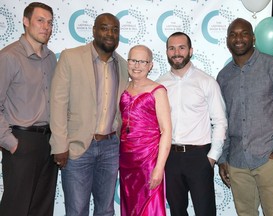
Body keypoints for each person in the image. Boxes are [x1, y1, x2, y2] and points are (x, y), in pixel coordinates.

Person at [49, 13, 129, 216]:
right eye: (104, 28)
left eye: (115, 29)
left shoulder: (122, 64)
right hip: (77, 148)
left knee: (106, 210)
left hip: (110, 147)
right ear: (94, 30)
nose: (110, 33)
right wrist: (59, 145)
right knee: (76, 210)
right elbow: (58, 103)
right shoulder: (71, 57)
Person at [217, 18, 273, 216]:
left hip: (270, 158)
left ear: (253, 38)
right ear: (227, 40)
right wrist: (223, 158)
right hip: (237, 162)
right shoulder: (223, 77)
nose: (238, 38)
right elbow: (223, 121)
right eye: (233, 34)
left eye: (244, 33)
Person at [157, 32, 227, 216]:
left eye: (181, 47)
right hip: (169, 158)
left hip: (199, 157)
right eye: (172, 48)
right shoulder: (159, 85)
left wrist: (212, 157)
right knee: (177, 212)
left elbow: (220, 122)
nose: (176, 52)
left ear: (191, 51)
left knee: (205, 212)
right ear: (166, 52)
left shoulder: (206, 82)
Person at [0, 2, 58, 216]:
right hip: (21, 141)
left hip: (49, 142)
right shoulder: (9, 57)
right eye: (40, 20)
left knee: (42, 207)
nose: (46, 27)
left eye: (50, 22)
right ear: (25, 22)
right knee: (16, 207)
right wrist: (10, 142)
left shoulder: (51, 58)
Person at [119, 45, 172, 216]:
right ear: (127, 62)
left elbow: (166, 131)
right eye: (133, 60)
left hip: (148, 163)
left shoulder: (158, 91)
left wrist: (159, 168)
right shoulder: (122, 89)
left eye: (142, 61)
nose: (137, 65)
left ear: (150, 65)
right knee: (130, 208)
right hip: (126, 162)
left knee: (149, 209)